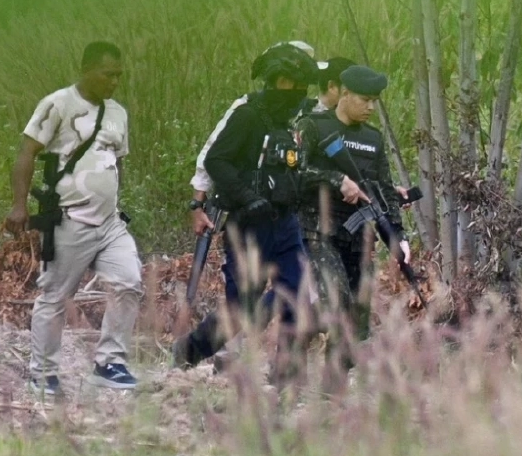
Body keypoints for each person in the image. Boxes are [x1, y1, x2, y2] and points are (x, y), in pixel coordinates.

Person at [5, 42, 142, 393]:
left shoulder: (117, 113)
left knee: (128, 282)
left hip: (110, 222)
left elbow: (117, 160)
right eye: (107, 74)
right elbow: (26, 153)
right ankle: (43, 373)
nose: (113, 82)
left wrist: (112, 195)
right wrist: (19, 205)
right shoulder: (57, 104)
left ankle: (110, 363)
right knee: (54, 295)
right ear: (86, 69)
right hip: (70, 219)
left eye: (118, 76)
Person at [173, 43, 317, 378]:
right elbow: (215, 159)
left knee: (295, 294)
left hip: (285, 224)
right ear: (279, 80)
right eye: (294, 85)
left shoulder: (290, 121)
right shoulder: (248, 115)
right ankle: (189, 350)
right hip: (249, 225)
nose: (300, 93)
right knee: (244, 309)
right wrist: (245, 195)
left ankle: (286, 373)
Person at [296, 65, 410, 375]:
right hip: (317, 231)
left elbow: (383, 189)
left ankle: (334, 386)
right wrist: (335, 179)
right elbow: (291, 174)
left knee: (357, 319)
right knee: (338, 300)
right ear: (344, 94)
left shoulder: (373, 139)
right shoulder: (313, 127)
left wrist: (398, 234)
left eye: (375, 101)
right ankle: (296, 349)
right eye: (365, 99)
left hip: (358, 236)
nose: (371, 107)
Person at [187, 40, 317, 238]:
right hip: (249, 205)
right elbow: (212, 154)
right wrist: (198, 204)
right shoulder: (248, 109)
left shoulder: (300, 110)